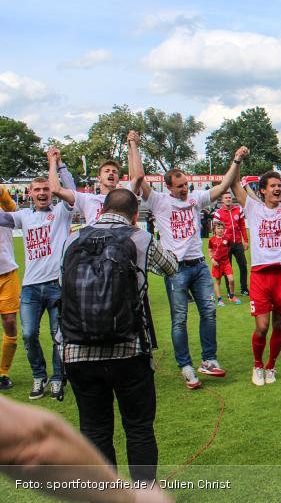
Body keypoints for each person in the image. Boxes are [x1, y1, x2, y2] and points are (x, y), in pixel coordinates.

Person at [60, 188, 177, 484]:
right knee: (138, 428)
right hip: (128, 348)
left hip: (77, 349)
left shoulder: (73, 238)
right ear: (135, 214)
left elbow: (66, 285)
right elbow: (171, 266)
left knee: (94, 430)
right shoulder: (139, 237)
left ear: (101, 210)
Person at [129, 131, 243, 388]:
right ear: (168, 186)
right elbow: (138, 178)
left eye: (186, 184)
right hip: (175, 269)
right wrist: (133, 144)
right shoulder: (158, 201)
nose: (184, 189)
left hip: (199, 265)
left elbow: (223, 186)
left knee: (209, 312)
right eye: (179, 186)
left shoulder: (195, 199)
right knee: (179, 318)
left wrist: (235, 160)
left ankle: (209, 360)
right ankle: (186, 365)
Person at [0, 150, 74, 400]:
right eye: (37, 190)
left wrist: (58, 163)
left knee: (58, 336)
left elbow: (71, 188)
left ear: (51, 191)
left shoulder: (62, 212)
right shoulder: (23, 216)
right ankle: (38, 375)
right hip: (31, 287)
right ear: (29, 194)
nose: (42, 193)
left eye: (46, 189)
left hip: (57, 284)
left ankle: (56, 379)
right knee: (29, 334)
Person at [0, 395, 172, 502]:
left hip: (79, 358)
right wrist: (131, 497)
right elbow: (37, 444)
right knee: (138, 427)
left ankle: (105, 498)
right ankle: (144, 488)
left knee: (96, 429)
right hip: (129, 356)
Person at [231, 146, 281, 385]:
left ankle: (271, 366)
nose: (277, 189)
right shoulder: (253, 209)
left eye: (279, 185)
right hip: (261, 275)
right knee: (262, 327)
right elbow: (233, 186)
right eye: (272, 186)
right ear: (262, 191)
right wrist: (238, 160)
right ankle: (257, 366)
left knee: (279, 323)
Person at [48, 152, 121, 226]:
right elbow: (56, 189)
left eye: (114, 172)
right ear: (99, 178)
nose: (111, 173)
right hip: (96, 236)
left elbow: (134, 178)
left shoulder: (126, 198)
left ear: (118, 179)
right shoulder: (87, 199)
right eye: (107, 171)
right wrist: (54, 161)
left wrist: (132, 143)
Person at [0, 185, 20, 390]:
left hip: (7, 273)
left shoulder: (3, 203)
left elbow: (12, 209)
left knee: (9, 322)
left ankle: (3, 372)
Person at [212, 192, 250, 296]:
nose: (228, 199)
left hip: (238, 243)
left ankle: (244, 288)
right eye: (226, 198)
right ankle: (230, 291)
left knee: (243, 265)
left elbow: (242, 226)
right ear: (222, 200)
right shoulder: (218, 213)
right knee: (227, 268)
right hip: (225, 245)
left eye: (230, 197)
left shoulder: (239, 210)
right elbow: (216, 230)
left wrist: (245, 240)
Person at [207, 220, 240, 306]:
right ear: (214, 229)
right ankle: (220, 299)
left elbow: (229, 247)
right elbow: (210, 251)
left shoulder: (227, 239)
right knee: (217, 281)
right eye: (218, 228)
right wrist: (213, 260)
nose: (220, 230)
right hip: (217, 264)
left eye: (222, 228)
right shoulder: (211, 240)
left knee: (231, 280)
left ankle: (232, 296)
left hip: (226, 263)